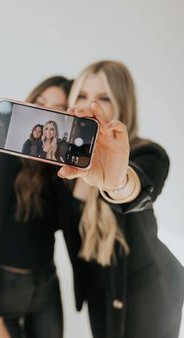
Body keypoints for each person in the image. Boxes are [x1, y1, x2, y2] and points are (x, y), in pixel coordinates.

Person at [55, 60, 184, 338]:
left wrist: (117, 181)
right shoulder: (64, 166)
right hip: (99, 294)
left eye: (103, 98)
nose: (90, 106)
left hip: (149, 293)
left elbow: (136, 188)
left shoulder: (147, 153)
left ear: (121, 106)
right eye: (82, 95)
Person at [0, 75, 73, 338]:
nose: (46, 114)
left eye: (58, 110)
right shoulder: (6, 162)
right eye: (40, 103)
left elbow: (70, 230)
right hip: (3, 290)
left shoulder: (60, 173)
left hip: (45, 286)